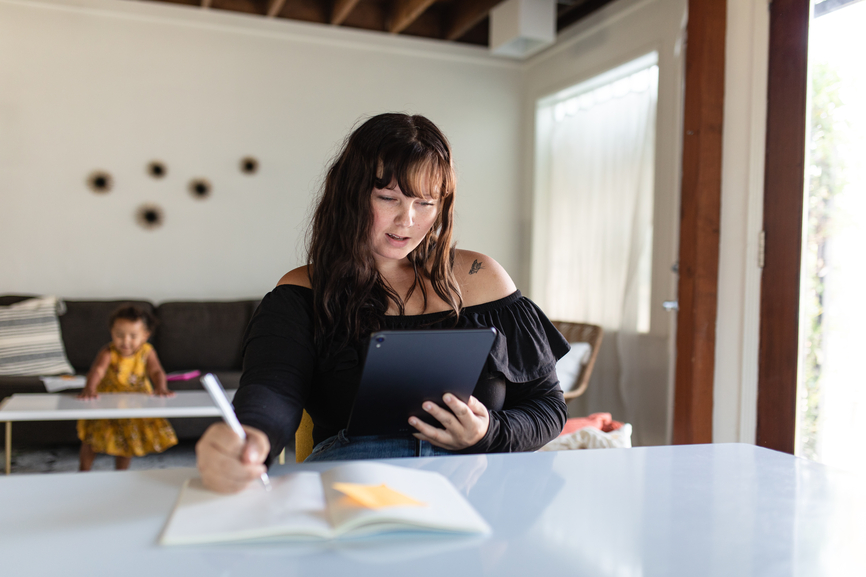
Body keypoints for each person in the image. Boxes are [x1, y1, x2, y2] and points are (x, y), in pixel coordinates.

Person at [196, 113, 569, 493]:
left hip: (473, 486)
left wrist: (488, 431)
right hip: (353, 486)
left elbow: (548, 407)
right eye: (388, 198)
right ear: (351, 194)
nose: (407, 220)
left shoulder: (481, 278)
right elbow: (272, 390)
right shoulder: (303, 290)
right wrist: (252, 436)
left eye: (425, 203)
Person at [77, 305, 178, 471]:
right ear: (111, 332)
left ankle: (121, 473)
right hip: (106, 402)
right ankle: (84, 469)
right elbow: (98, 371)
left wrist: (161, 387)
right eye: (119, 335)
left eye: (133, 336)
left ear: (145, 335)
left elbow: (156, 371)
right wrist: (90, 389)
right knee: (91, 438)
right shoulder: (108, 352)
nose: (125, 341)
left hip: (133, 403)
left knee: (126, 440)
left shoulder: (147, 352)